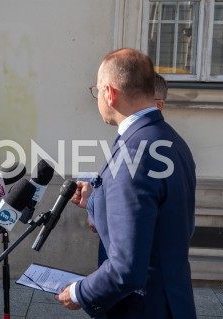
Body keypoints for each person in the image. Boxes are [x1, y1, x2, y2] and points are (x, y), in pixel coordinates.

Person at [56, 49, 196, 318]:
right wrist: (96, 202)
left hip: (144, 307)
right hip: (171, 300)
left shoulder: (136, 151)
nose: (98, 99)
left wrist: (79, 293)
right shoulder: (169, 139)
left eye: (97, 91)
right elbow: (159, 220)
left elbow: (126, 269)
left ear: (109, 93)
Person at [84, 71, 170, 267]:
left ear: (158, 105)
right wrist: (93, 200)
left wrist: (81, 292)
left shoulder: (146, 147)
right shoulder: (130, 138)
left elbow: (132, 222)